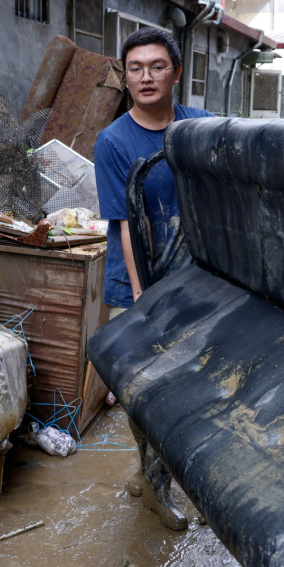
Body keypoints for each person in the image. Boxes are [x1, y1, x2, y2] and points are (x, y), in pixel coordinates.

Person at [94, 27, 213, 531]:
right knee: (147, 394)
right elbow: (125, 224)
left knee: (197, 384)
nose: (145, 77)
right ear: (125, 76)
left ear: (176, 73)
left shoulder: (201, 127)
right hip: (136, 282)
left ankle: (195, 484)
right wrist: (144, 301)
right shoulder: (114, 141)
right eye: (135, 68)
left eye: (157, 66)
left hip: (194, 278)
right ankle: (152, 485)